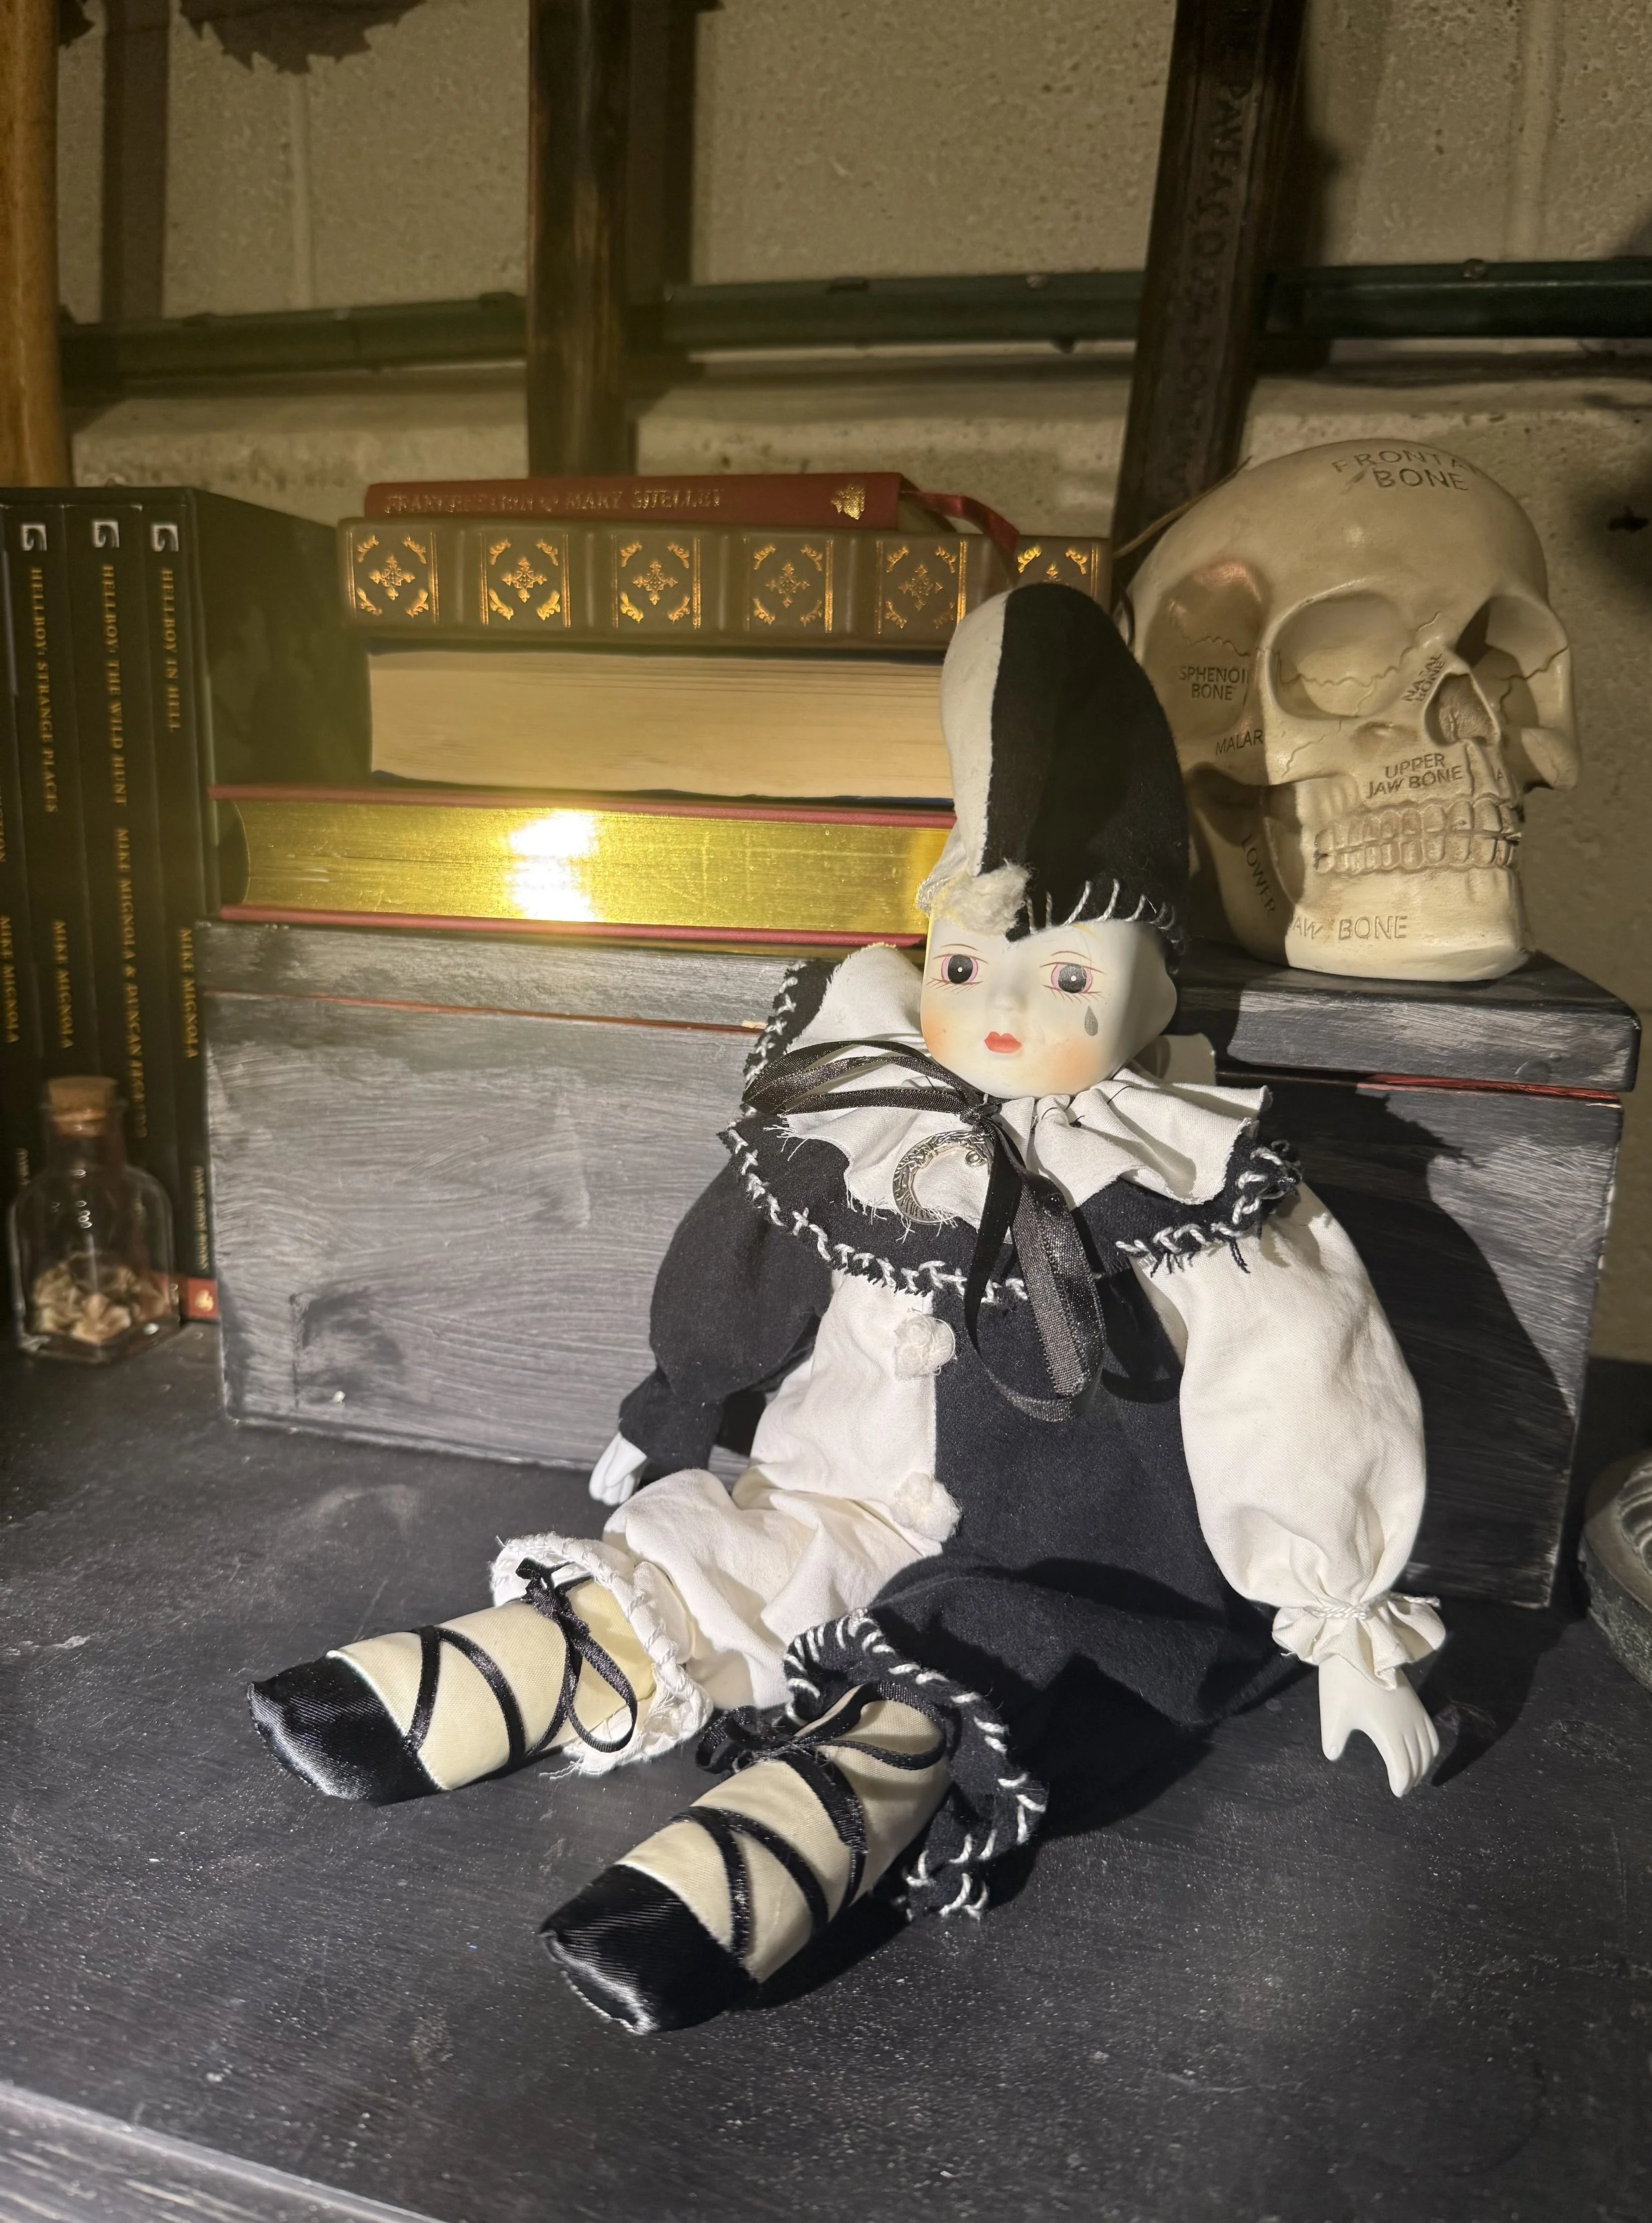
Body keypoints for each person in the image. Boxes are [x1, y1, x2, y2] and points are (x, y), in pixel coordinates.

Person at [249, 584, 1443, 2034]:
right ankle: (562, 1653)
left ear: (1149, 990)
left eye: (1062, 976)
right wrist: (679, 1412)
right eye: (965, 967)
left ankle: (807, 1824)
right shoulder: (870, 1105)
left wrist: (1339, 1609)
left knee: (978, 1659)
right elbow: (738, 1269)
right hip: (832, 1472)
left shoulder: (1183, 1178)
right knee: (732, 1551)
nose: (999, 1011)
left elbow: (1296, 1378)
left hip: (1061, 1531)